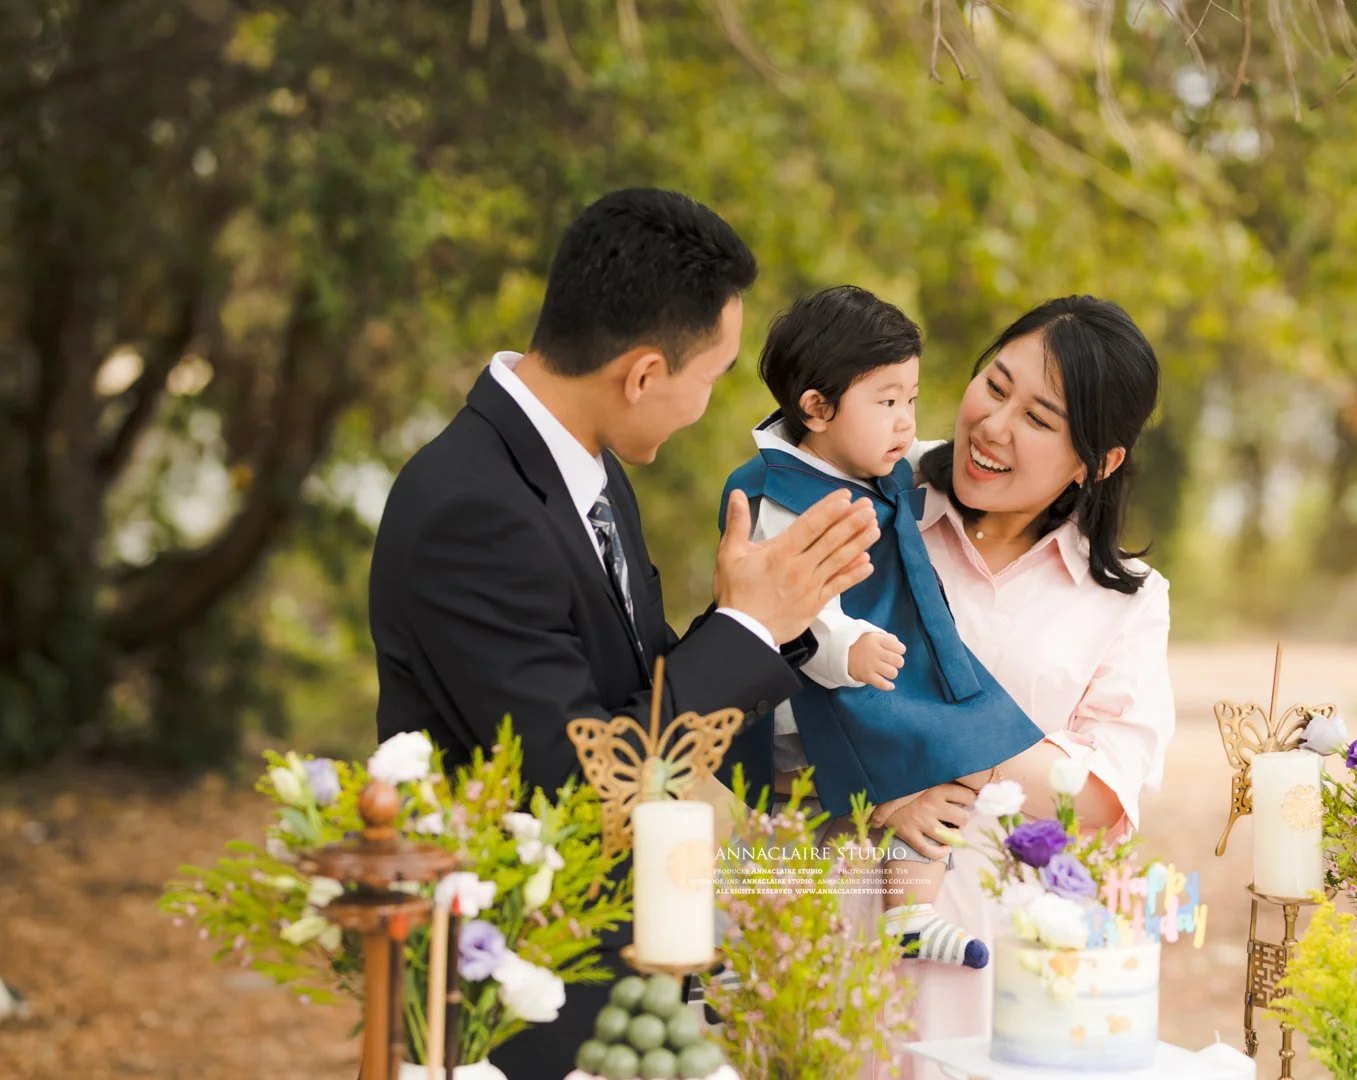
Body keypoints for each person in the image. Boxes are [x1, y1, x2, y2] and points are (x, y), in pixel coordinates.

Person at [368, 189, 880, 1080]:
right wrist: (747, 628)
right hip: (519, 1001)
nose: (706, 403)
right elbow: (582, 777)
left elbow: (632, 694)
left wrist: (775, 626)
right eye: (712, 376)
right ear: (644, 373)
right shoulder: (469, 508)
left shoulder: (587, 465)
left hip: (622, 975)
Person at [871, 296, 1176, 1078]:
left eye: (1040, 418)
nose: (994, 426)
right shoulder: (871, 493)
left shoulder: (1128, 601)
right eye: (994, 385)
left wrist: (917, 738)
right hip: (829, 906)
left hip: (998, 961)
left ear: (1098, 461)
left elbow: (1100, 792)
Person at [719, 286, 1044, 971]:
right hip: (818, 690)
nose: (905, 422)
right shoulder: (780, 497)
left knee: (969, 744)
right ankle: (797, 939)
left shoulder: (863, 458)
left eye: (911, 399)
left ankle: (911, 910)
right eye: (888, 400)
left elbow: (935, 456)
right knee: (927, 755)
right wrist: (847, 648)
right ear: (816, 407)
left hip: (872, 673)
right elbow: (796, 608)